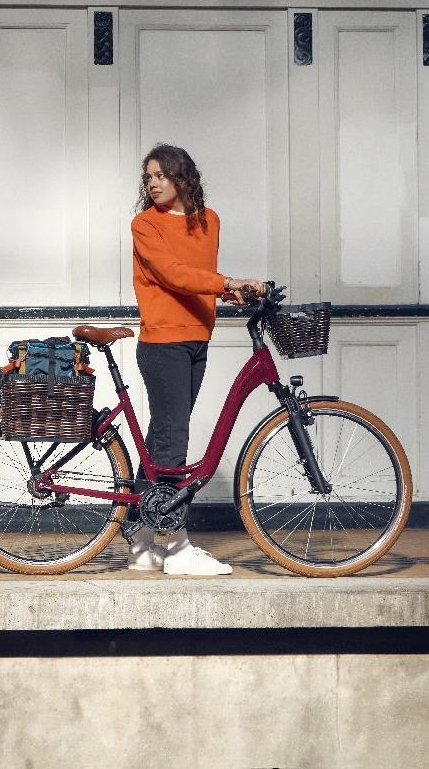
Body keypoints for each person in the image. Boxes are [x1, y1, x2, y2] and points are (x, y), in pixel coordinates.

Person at [128, 143, 264, 576]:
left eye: (161, 175)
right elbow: (174, 275)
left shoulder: (210, 221)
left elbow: (201, 276)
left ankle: (140, 537)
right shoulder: (144, 225)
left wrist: (234, 290)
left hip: (197, 339)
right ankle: (175, 544)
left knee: (161, 437)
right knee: (172, 439)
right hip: (163, 341)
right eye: (148, 176)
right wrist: (227, 283)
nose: (153, 183)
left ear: (183, 178)